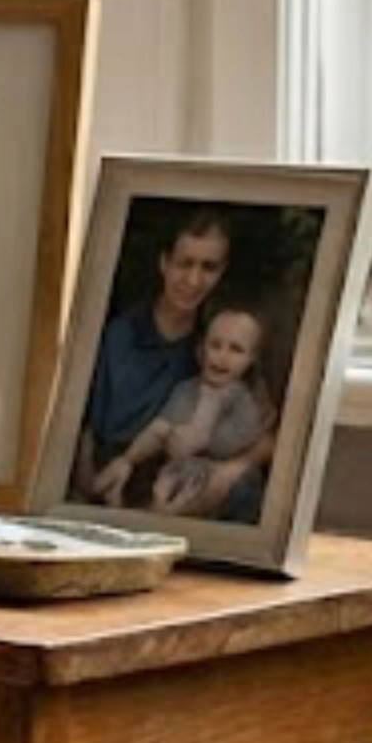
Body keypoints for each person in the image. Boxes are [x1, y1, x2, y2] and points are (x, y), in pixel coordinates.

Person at [71, 211, 232, 502]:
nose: (194, 280)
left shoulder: (221, 346)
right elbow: (82, 421)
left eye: (208, 268)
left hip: (172, 488)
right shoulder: (118, 333)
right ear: (164, 263)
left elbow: (262, 431)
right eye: (184, 264)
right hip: (102, 475)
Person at [92, 303, 278, 518]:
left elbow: (230, 443)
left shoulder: (244, 399)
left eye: (236, 350)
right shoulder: (186, 389)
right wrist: (130, 458)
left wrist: (203, 425)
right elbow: (161, 428)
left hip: (219, 474)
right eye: (215, 345)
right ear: (201, 350)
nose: (222, 356)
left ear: (251, 359)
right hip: (179, 471)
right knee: (155, 486)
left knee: (243, 486)